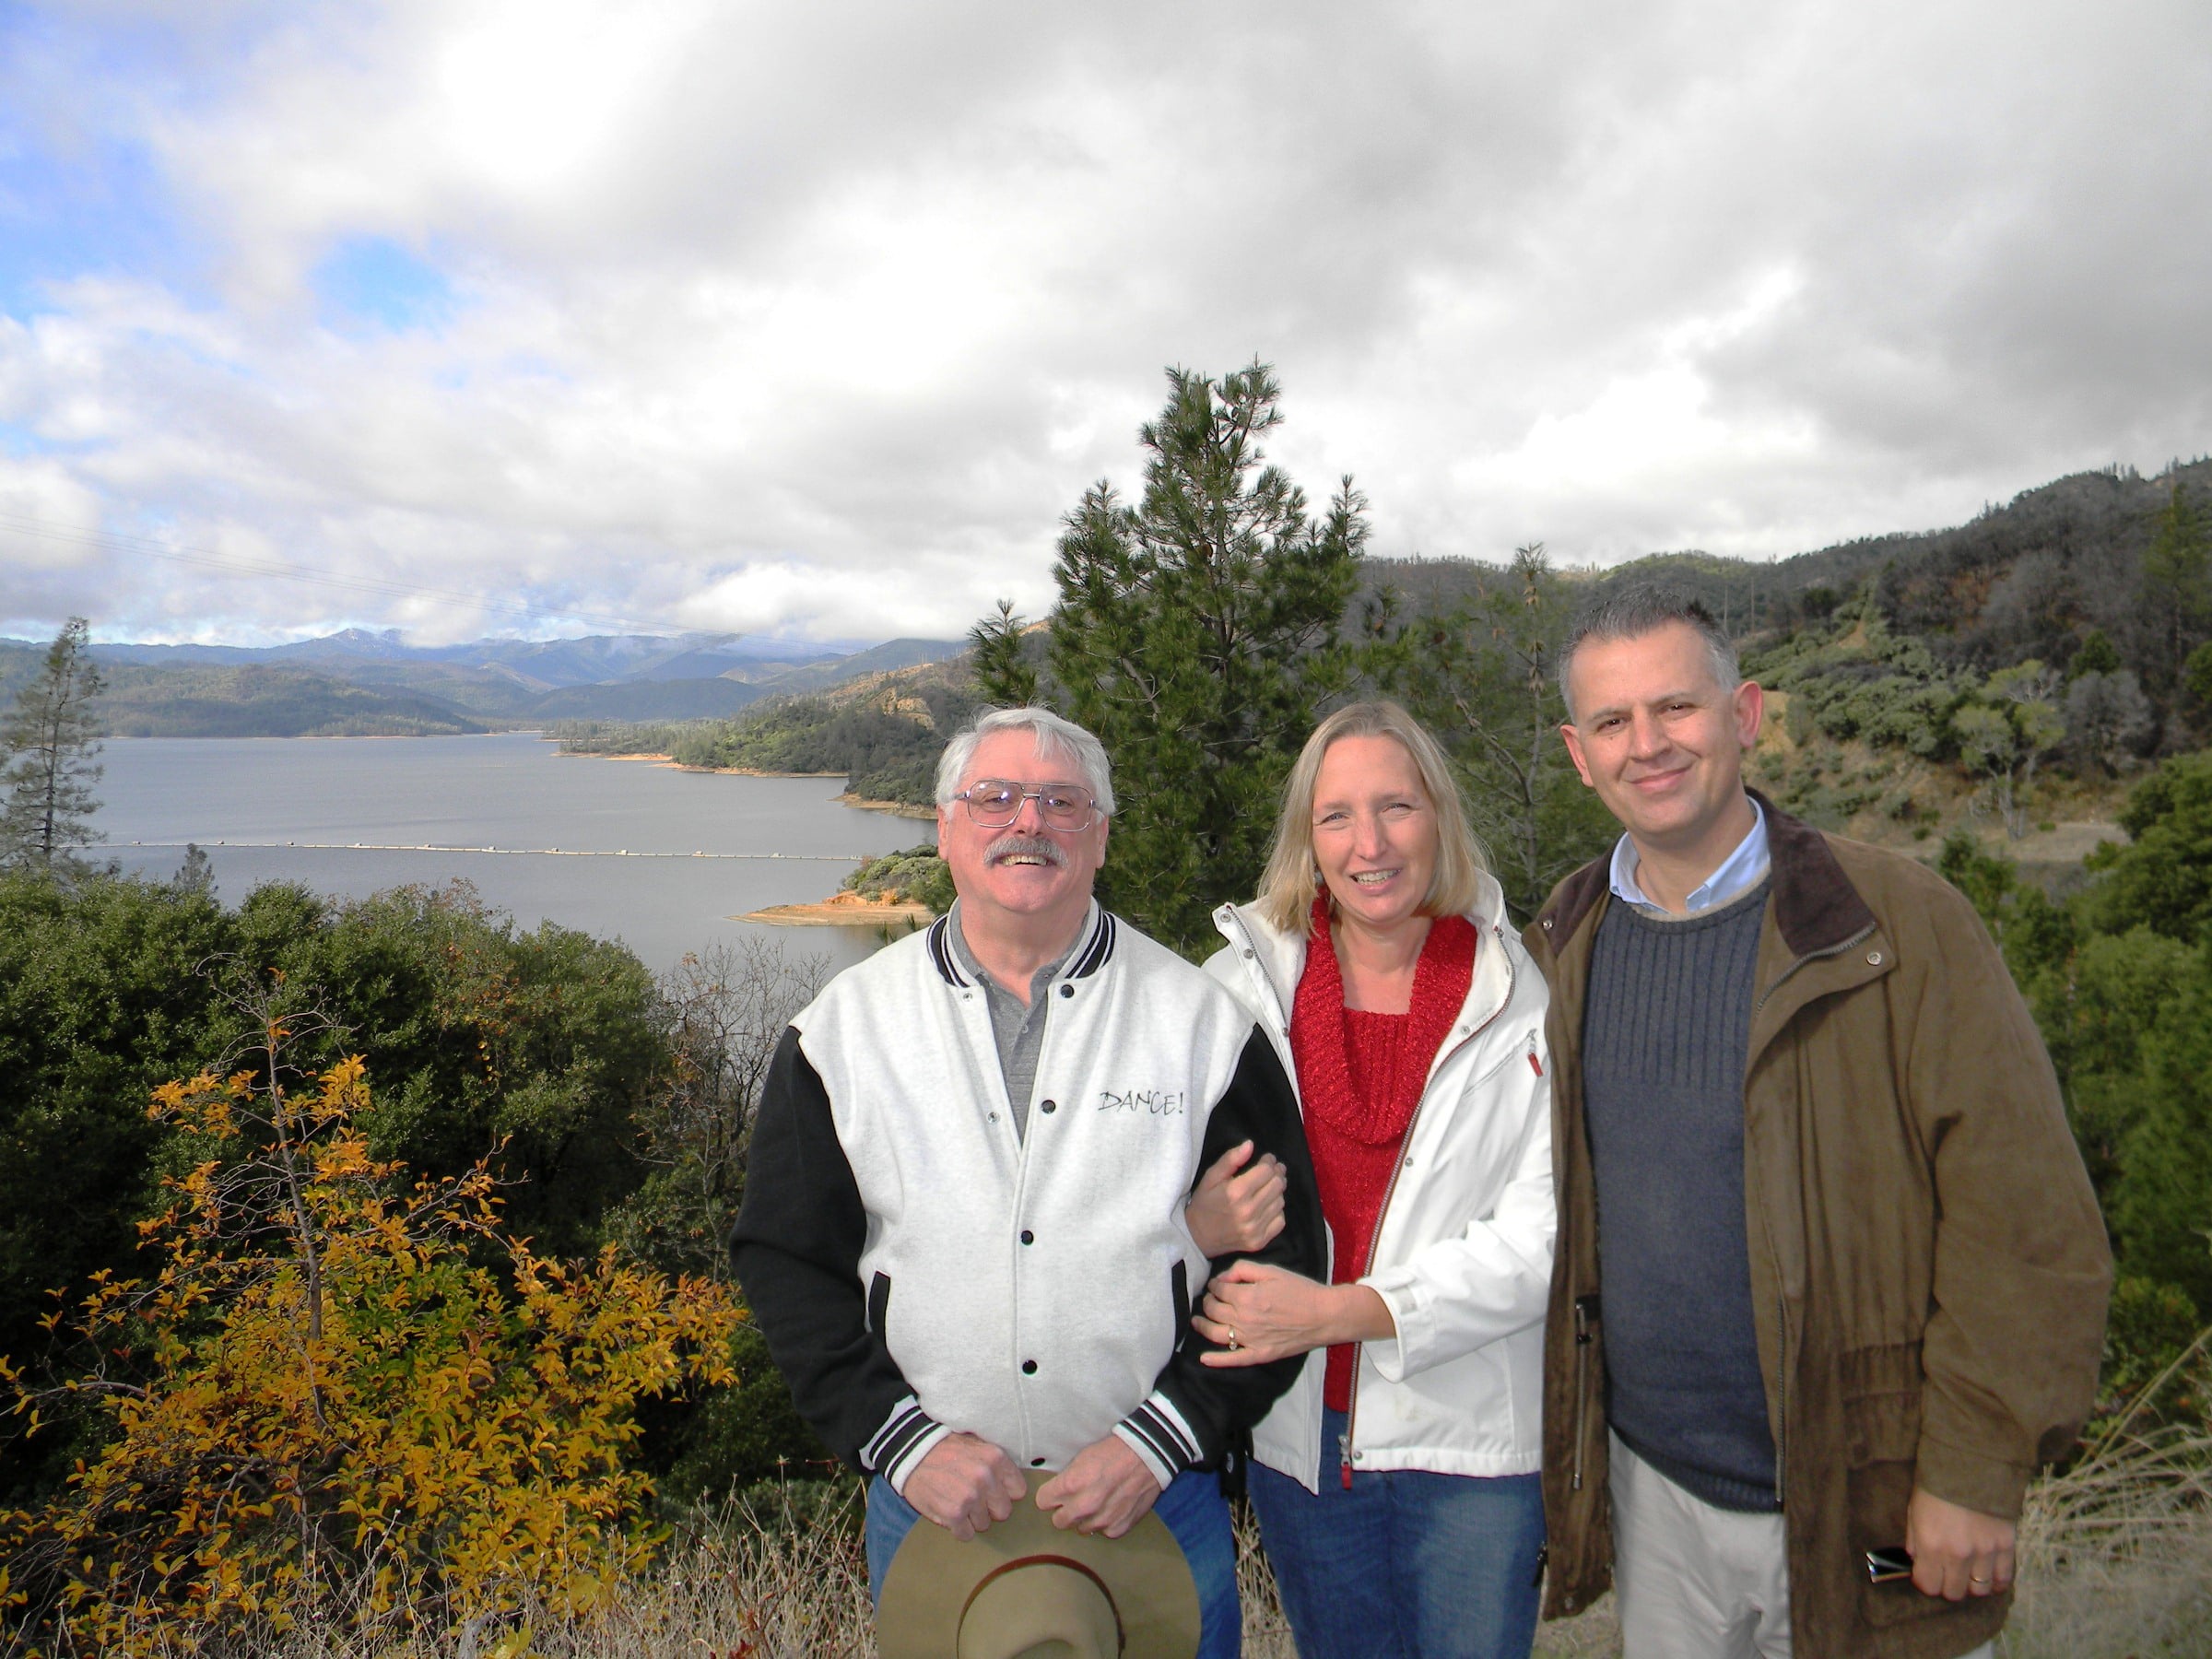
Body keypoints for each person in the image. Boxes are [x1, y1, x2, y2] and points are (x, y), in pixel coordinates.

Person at [1528, 587, 2112, 1659]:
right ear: (1579, 753)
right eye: (1612, 721)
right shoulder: (1564, 943)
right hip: (1655, 1502)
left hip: (1870, 1499)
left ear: (1745, 714)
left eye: (1676, 707)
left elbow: (2026, 1220)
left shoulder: (1899, 925)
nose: (1647, 744)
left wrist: (1975, 1470)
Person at [730, 705, 1324, 1658]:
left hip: (1155, 1496)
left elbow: (1282, 1266)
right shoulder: (843, 1032)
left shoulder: (1200, 1026)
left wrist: (1167, 1436)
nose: (1028, 822)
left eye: (1060, 801)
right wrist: (897, 1440)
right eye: (994, 798)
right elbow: (786, 1260)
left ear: (1100, 836)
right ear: (944, 828)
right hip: (935, 1505)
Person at [1191, 700, 1556, 1659]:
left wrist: (1340, 1313)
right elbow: (1139, 1182)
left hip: (1472, 1440)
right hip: (1300, 1440)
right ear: (1307, 840)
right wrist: (1194, 1220)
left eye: (1396, 807)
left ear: (1440, 816)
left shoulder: (1522, 997)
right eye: (1337, 816)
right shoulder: (1236, 992)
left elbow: (1543, 1241)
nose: (1371, 844)